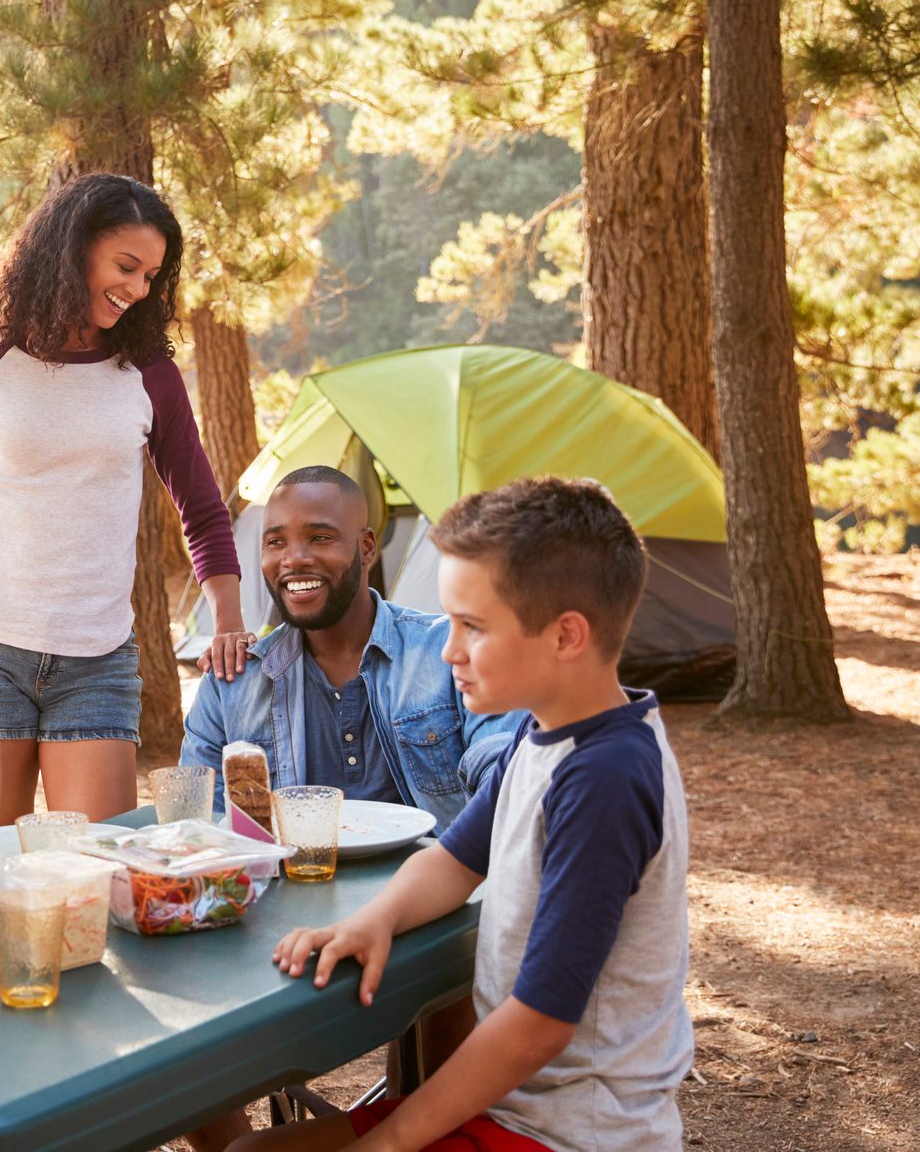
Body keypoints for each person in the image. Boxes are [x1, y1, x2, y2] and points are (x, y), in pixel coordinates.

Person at [234, 477, 692, 1152]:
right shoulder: (548, 733)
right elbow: (454, 859)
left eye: (471, 627)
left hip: (571, 1130)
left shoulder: (603, 778)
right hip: (513, 1104)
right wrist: (373, 920)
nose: (448, 651)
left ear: (565, 635)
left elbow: (539, 1024)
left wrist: (387, 1143)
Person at [0, 173, 251, 826]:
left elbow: (201, 506)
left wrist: (227, 621)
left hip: (97, 658)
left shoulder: (148, 377)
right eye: (125, 266)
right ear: (70, 250)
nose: (136, 289)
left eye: (150, 277)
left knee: (99, 873)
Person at [181, 466, 523, 831]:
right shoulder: (231, 681)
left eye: (320, 537)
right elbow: (196, 824)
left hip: (440, 880)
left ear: (366, 548)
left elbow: (507, 778)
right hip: (293, 885)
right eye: (275, 542)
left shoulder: (448, 656)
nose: (294, 558)